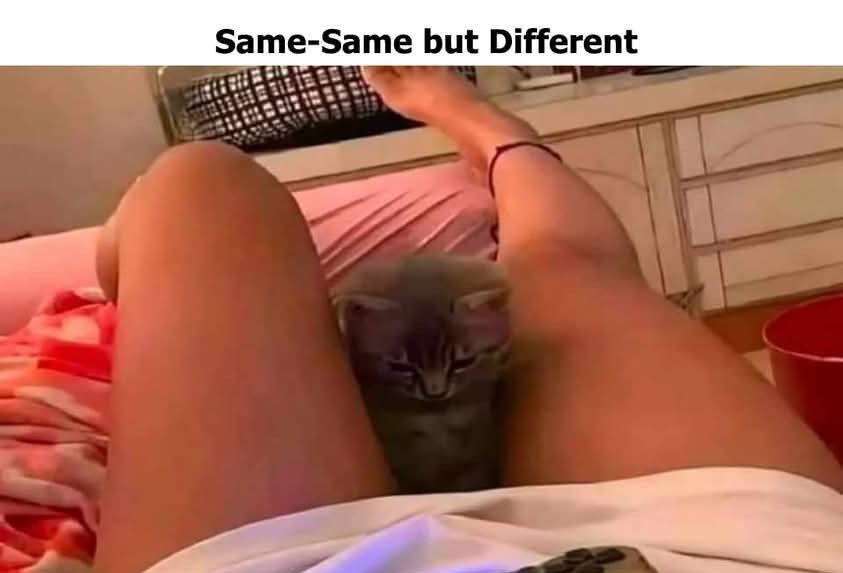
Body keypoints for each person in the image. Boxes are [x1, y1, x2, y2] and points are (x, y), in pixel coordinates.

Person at [92, 67, 843, 573]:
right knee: (562, 264)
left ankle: (143, 255)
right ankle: (491, 134)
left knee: (202, 182)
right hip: (712, 545)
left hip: (290, 555)